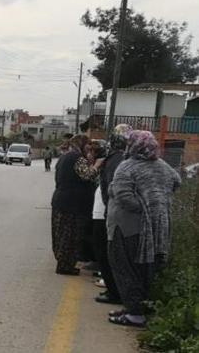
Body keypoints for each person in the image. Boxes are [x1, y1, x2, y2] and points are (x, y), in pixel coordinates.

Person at [107, 130, 181, 327]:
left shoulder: (127, 166)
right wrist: (157, 201)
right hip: (157, 227)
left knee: (125, 267)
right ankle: (134, 307)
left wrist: (143, 206)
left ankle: (135, 313)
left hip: (128, 226)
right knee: (144, 268)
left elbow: (122, 195)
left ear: (132, 145)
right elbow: (177, 181)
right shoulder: (163, 166)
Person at [51, 134, 101, 275]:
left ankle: (63, 263)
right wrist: (96, 165)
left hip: (61, 201)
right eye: (87, 146)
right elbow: (87, 175)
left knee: (60, 235)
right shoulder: (76, 158)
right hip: (71, 204)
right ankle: (65, 266)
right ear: (81, 145)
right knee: (70, 236)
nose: (89, 150)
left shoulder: (65, 157)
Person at [93, 124, 132, 305]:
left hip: (110, 214)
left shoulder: (116, 159)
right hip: (113, 213)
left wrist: (111, 210)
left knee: (109, 255)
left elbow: (111, 188)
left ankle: (115, 292)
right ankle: (115, 291)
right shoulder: (123, 159)